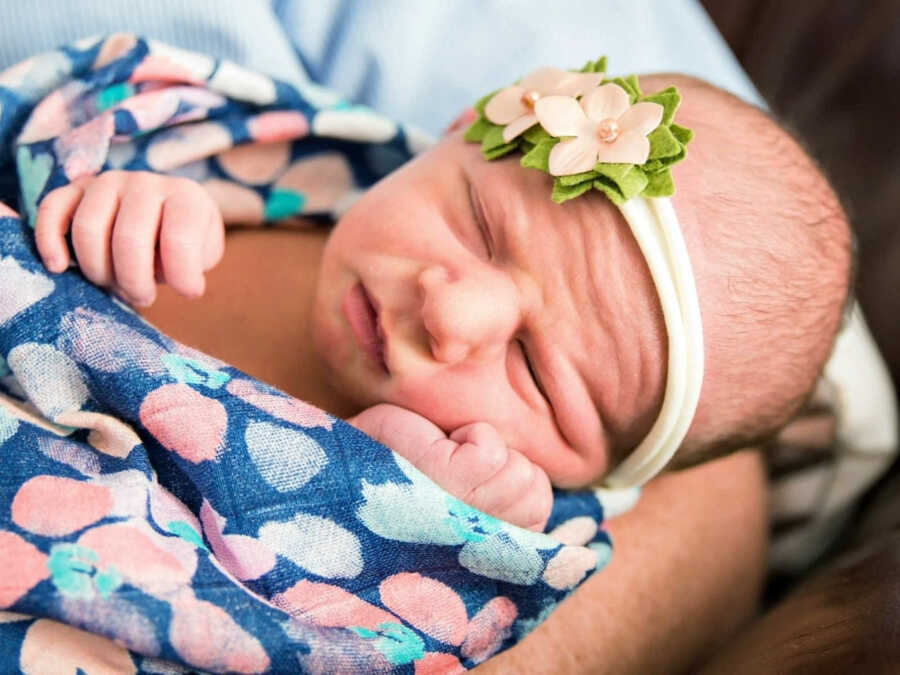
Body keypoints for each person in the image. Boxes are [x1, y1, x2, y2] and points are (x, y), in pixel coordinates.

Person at [31, 72, 852, 533]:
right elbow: (91, 117)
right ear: (462, 127)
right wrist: (125, 197)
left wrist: (417, 524)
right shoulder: (267, 173)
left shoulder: (500, 521)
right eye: (482, 224)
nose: (451, 314)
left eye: (534, 368)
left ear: (594, 474)